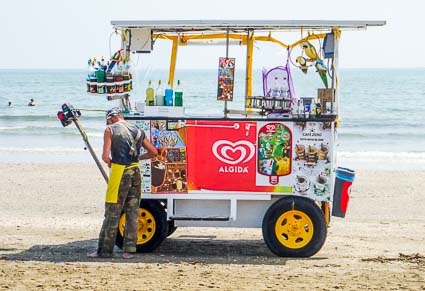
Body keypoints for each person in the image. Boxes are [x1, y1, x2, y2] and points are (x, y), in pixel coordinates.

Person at [87, 107, 157, 259]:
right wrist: (138, 159)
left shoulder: (110, 130)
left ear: (111, 118)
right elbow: (154, 152)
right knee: (132, 212)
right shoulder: (137, 130)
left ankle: (104, 251)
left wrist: (113, 165)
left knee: (112, 212)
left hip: (120, 172)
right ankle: (129, 250)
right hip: (136, 172)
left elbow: (105, 157)